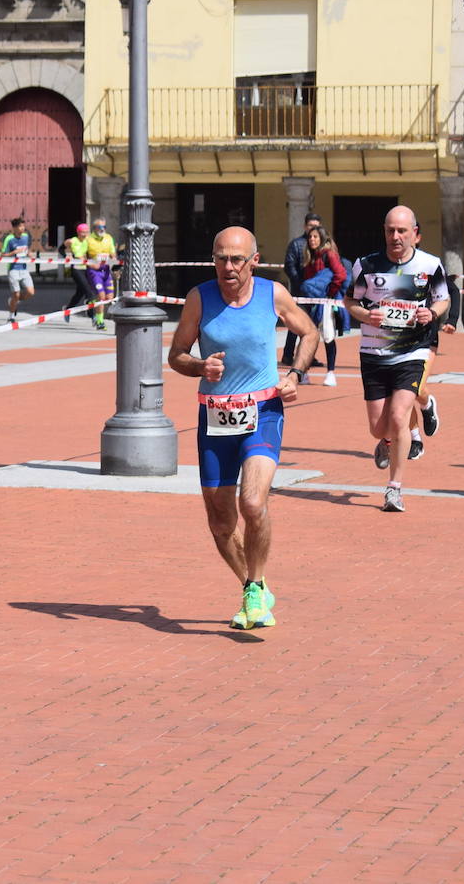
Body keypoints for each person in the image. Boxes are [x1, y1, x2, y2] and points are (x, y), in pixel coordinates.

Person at [168, 226, 316, 630]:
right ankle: (256, 586)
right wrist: (200, 366)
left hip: (263, 411)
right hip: (214, 416)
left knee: (252, 503)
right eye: (220, 258)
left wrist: (295, 375)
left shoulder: (273, 294)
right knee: (220, 522)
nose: (228, 267)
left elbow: (308, 331)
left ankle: (253, 584)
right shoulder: (200, 298)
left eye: (236, 259)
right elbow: (176, 355)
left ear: (254, 260)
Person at [344, 206, 450, 513]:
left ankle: (394, 489)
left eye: (402, 231)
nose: (395, 237)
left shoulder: (430, 265)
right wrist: (366, 314)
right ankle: (386, 442)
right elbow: (350, 299)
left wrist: (432, 312)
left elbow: (443, 298)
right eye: (390, 230)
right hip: (374, 352)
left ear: (415, 233)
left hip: (412, 350)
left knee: (399, 416)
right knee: (379, 428)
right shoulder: (367, 265)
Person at [281, 225, 346, 386]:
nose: (312, 240)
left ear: (322, 238)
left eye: (315, 237)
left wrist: (330, 293)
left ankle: (331, 373)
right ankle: (304, 372)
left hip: (325, 303)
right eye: (310, 237)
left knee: (328, 336)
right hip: (310, 303)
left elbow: (340, 274)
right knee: (309, 335)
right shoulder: (310, 256)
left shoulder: (329, 255)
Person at [407, 273, 461, 460]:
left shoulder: (427, 267)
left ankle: (427, 404)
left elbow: (453, 290)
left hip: (426, 339)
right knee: (402, 392)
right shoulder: (386, 269)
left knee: (416, 387)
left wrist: (452, 319)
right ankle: (415, 440)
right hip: (397, 339)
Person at [85, 218, 117, 330]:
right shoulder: (88, 240)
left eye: (104, 227)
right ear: (94, 229)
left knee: (109, 297)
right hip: (94, 271)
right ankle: (100, 321)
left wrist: (115, 262)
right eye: (99, 227)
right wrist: (90, 264)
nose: (102, 229)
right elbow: (83, 255)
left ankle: (91, 304)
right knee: (102, 296)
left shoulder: (108, 238)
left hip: (106, 270)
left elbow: (113, 253)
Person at [1, 217, 34, 322]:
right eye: (20, 226)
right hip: (13, 269)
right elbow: (3, 254)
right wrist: (14, 252)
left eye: (23, 226)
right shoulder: (9, 239)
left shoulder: (25, 236)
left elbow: (26, 249)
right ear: (14, 228)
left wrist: (29, 254)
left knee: (30, 292)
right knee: (16, 293)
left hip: (24, 268)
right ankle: (11, 316)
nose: (23, 228)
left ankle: (13, 301)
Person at [284, 212, 322, 289]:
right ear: (305, 226)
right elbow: (289, 266)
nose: (313, 228)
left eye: (316, 226)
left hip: (320, 289)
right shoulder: (296, 244)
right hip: (300, 289)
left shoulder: (325, 244)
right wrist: (300, 283)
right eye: (310, 225)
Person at [62, 223, 93, 314]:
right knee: (89, 292)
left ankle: (68, 309)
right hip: (76, 269)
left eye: (87, 232)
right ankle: (92, 315)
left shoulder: (88, 240)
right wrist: (67, 256)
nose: (85, 234)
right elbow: (61, 249)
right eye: (83, 232)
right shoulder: (73, 241)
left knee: (80, 293)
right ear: (78, 232)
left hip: (86, 268)